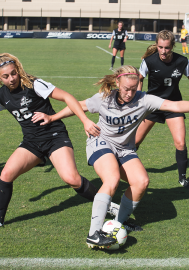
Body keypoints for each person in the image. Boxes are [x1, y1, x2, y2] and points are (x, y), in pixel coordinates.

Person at [32, 65, 189, 249]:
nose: (130, 93)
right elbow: (79, 106)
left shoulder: (145, 100)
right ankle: (94, 233)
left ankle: (118, 223)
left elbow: (175, 105)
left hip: (125, 149)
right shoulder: (104, 98)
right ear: (117, 83)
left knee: (141, 182)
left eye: (133, 89)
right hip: (100, 142)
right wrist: (52, 118)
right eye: (125, 89)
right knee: (112, 178)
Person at [0, 52, 103, 229]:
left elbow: (67, 97)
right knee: (5, 175)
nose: (11, 78)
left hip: (54, 136)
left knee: (72, 179)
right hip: (31, 142)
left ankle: (110, 207)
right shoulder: (2, 94)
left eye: (13, 73)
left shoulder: (33, 84)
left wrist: (85, 121)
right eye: (5, 76)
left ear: (18, 70)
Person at [135, 30, 189, 188]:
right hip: (152, 105)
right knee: (136, 141)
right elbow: (139, 79)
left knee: (180, 142)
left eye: (167, 48)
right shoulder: (148, 61)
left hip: (173, 105)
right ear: (156, 45)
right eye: (160, 47)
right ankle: (122, 166)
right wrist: (139, 100)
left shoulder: (182, 61)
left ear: (172, 46)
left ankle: (182, 178)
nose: (163, 51)